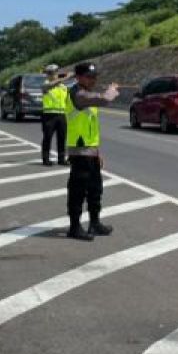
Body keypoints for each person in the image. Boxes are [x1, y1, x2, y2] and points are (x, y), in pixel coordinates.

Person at [65, 62, 120, 240]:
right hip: (79, 151)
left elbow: (91, 128)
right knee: (78, 191)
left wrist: (97, 152)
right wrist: (111, 90)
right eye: (89, 77)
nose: (93, 80)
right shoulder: (77, 94)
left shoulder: (86, 93)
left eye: (95, 77)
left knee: (95, 189)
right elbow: (104, 99)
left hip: (90, 151)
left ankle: (94, 223)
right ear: (78, 77)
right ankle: (74, 227)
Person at [40, 73, 69, 166]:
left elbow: (67, 100)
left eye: (54, 73)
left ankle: (61, 159)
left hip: (61, 115)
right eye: (50, 73)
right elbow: (47, 87)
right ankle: (46, 159)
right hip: (49, 115)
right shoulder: (46, 84)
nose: (52, 75)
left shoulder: (64, 87)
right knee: (47, 137)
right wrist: (63, 79)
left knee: (62, 138)